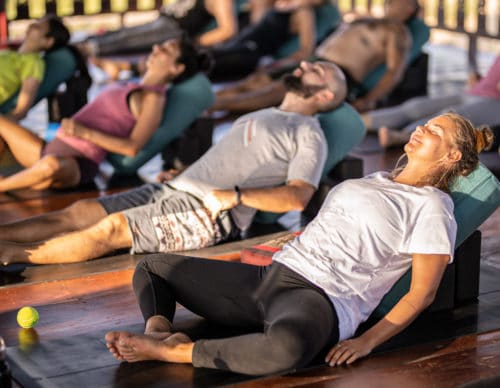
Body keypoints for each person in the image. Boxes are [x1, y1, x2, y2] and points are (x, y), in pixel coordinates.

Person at [104, 113, 494, 376]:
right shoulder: (375, 179)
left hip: (323, 298)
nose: (422, 130)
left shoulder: (432, 206)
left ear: (451, 155)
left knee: (287, 349)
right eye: (425, 125)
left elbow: (422, 293)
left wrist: (366, 342)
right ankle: (160, 331)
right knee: (153, 266)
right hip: (272, 276)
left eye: (435, 132)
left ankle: (174, 352)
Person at [0, 61, 348, 265]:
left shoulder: (308, 132)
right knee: (79, 212)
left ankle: (10, 255)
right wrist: (184, 173)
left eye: (316, 70)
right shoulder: (264, 114)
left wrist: (236, 196)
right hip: (174, 188)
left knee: (111, 230)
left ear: (326, 95)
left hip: (209, 212)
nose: (304, 65)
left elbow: (298, 196)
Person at [0, 35, 210, 193]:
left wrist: (85, 132)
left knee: (51, 165)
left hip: (75, 162)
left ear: (177, 68)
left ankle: (3, 186)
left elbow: (132, 147)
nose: (156, 47)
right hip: (49, 148)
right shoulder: (132, 83)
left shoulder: (153, 99)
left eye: (166, 48)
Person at [211, 0, 419, 113]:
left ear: (409, 8)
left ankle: (215, 105)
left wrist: (369, 100)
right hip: (314, 61)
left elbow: (394, 71)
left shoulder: (398, 32)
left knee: (279, 89)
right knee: (257, 80)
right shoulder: (367, 19)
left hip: (337, 74)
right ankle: (212, 99)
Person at [362, 55, 500, 149]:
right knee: (416, 107)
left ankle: (404, 136)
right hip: (473, 92)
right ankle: (361, 121)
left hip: (495, 104)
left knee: (449, 115)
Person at [81, 0, 238, 80]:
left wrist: (196, 43)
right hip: (166, 21)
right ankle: (89, 48)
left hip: (174, 29)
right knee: (124, 33)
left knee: (126, 40)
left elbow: (228, 29)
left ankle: (85, 49)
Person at [208, 0, 333, 81]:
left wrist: (274, 66)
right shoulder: (282, 3)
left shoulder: (304, 12)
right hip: (238, 44)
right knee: (205, 59)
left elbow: (306, 51)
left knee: (204, 63)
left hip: (251, 55)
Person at [0, 15, 70, 121]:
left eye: (38, 27)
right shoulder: (9, 54)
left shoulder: (34, 63)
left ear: (48, 41)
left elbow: (21, 111)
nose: (31, 25)